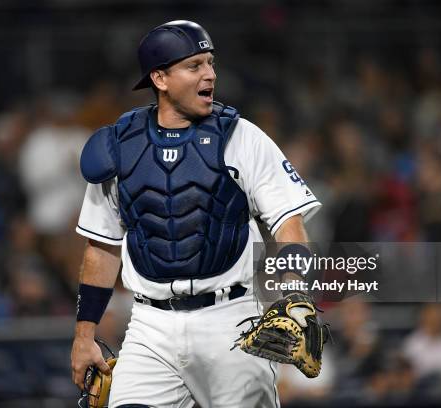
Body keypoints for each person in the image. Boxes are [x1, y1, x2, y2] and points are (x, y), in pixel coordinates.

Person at [70, 20, 322, 407]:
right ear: (160, 78)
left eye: (210, 62)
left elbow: (288, 222)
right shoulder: (119, 147)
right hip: (150, 326)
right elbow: (102, 247)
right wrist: (84, 336)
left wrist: (295, 293)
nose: (210, 74)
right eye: (195, 66)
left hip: (232, 321)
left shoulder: (242, 137)